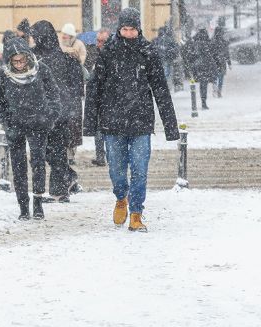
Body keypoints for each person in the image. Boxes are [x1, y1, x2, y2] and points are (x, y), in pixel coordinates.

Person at [84, 8, 179, 232]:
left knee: (139, 169)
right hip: (112, 121)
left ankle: (136, 212)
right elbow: (94, 88)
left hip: (141, 121)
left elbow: (160, 89)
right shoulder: (108, 52)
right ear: (119, 29)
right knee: (116, 169)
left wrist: (170, 127)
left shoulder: (148, 51)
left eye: (132, 30)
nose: (128, 34)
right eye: (125, 29)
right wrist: (89, 124)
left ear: (138, 29)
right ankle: (120, 197)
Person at [0, 37, 60, 220]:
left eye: (22, 60)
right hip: (15, 125)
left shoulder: (41, 70)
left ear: (28, 58)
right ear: (9, 61)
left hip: (38, 124)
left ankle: (37, 203)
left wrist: (49, 118)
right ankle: (23, 205)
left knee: (38, 163)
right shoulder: (2, 76)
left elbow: (54, 95)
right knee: (18, 166)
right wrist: (6, 122)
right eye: (15, 61)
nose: (19, 64)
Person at [30, 21, 82, 202]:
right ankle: (64, 183)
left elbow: (72, 87)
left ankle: (59, 190)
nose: (33, 39)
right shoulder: (39, 56)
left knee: (51, 152)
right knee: (50, 152)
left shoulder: (40, 58)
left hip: (53, 113)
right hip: (50, 112)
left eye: (35, 36)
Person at [58, 24, 88, 168]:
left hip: (74, 93)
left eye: (66, 35)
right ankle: (64, 152)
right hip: (62, 93)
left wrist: (72, 55)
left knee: (74, 126)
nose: (63, 37)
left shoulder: (79, 46)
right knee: (63, 125)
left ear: (71, 36)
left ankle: (71, 154)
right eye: (63, 34)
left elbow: (81, 63)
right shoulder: (59, 46)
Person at [85, 28, 109, 167]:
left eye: (102, 41)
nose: (99, 44)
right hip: (98, 99)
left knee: (107, 130)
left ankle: (108, 156)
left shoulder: (112, 55)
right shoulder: (96, 54)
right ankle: (100, 156)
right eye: (98, 41)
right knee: (99, 129)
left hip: (110, 100)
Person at [184, 27, 216, 111]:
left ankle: (198, 103)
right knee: (203, 85)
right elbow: (212, 57)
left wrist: (190, 66)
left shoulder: (194, 43)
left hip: (197, 68)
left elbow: (189, 55)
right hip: (205, 67)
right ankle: (203, 102)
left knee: (199, 85)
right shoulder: (208, 44)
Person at [212, 21, 231, 98]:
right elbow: (227, 53)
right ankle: (219, 90)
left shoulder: (212, 41)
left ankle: (214, 87)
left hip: (214, 61)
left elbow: (210, 52)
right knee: (221, 77)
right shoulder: (224, 42)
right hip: (222, 61)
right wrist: (229, 63)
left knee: (215, 76)